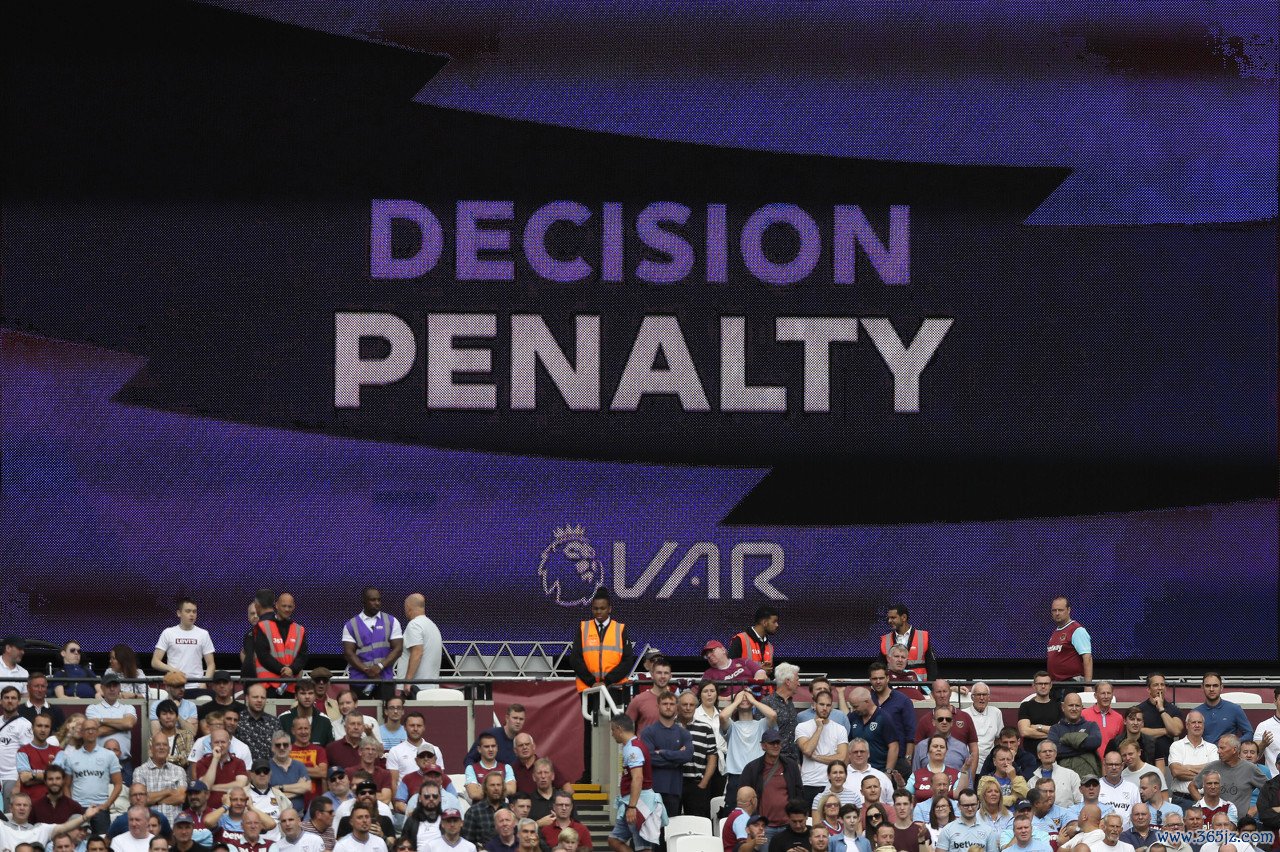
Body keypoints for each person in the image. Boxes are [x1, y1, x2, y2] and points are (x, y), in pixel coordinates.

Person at [55, 717, 125, 832]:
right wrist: (72, 805)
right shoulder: (72, 756)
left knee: (101, 841)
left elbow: (118, 784)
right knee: (77, 840)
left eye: (93, 729)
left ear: (97, 732)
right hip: (78, 808)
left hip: (100, 808)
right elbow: (66, 785)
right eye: (87, 729)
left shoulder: (109, 755)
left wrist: (107, 804)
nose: (91, 731)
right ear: (82, 733)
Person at [607, 715, 663, 852]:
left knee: (643, 848)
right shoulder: (632, 746)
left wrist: (632, 807)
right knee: (614, 840)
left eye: (612, 730)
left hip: (639, 804)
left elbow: (637, 778)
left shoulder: (633, 749)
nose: (612, 733)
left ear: (619, 729)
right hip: (631, 802)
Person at [720, 688, 779, 816]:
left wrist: (754, 701)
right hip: (736, 777)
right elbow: (723, 716)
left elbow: (773, 715)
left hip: (758, 775)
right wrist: (736, 701)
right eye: (741, 698)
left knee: (760, 816)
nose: (744, 699)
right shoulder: (732, 726)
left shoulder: (761, 724)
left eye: (747, 698)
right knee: (733, 817)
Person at [343, 588, 404, 702]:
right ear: (364, 601)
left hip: (384, 679)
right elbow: (348, 653)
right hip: (360, 680)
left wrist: (379, 667)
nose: (377, 603)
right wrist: (367, 670)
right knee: (360, 711)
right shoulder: (351, 625)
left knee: (386, 711)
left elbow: (398, 649)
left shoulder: (392, 621)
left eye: (379, 600)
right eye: (373, 600)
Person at [740, 728, 803, 834]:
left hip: (788, 825)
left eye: (778, 742)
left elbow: (799, 793)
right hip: (763, 827)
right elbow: (744, 797)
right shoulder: (752, 768)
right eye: (772, 743)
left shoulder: (791, 766)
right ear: (763, 746)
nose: (776, 746)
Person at [640, 691, 691, 818]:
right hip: (652, 790)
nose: (668, 707)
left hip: (674, 789)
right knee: (652, 828)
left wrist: (662, 752)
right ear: (658, 706)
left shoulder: (683, 733)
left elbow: (687, 756)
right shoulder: (648, 732)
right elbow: (649, 758)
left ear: (676, 707)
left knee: (671, 828)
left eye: (672, 704)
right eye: (665, 703)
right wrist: (676, 758)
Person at [1192, 736, 1266, 821]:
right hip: (1214, 823)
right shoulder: (1212, 766)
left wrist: (1255, 809)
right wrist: (1203, 805)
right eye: (1218, 748)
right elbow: (1192, 786)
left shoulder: (1250, 768)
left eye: (1222, 748)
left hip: (1240, 823)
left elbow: (1271, 791)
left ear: (1234, 750)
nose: (1218, 751)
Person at [796, 689, 849, 806]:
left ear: (831, 707)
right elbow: (807, 750)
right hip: (809, 782)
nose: (825, 708)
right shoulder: (802, 727)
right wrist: (819, 728)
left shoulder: (840, 729)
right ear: (814, 705)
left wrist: (815, 757)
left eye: (828, 705)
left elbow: (841, 758)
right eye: (821, 704)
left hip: (831, 783)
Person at [252, 594, 308, 699]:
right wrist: (282, 669)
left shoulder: (299, 630)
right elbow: (262, 654)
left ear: (294, 607)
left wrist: (292, 669)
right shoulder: (264, 626)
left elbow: (302, 656)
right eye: (284, 606)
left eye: (289, 606)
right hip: (268, 685)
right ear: (276, 605)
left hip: (290, 686)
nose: (287, 609)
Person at [152, 599, 217, 687]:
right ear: (179, 613)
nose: (192, 614)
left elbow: (211, 664)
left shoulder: (203, 634)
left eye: (194, 611)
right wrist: (173, 670)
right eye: (188, 611)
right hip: (175, 685)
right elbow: (155, 662)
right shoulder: (168, 633)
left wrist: (204, 682)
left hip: (196, 685)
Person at [677, 690, 719, 821]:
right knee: (671, 823)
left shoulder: (705, 728)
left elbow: (712, 757)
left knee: (699, 823)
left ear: (696, 707)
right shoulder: (669, 727)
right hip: (674, 783)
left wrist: (704, 782)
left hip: (697, 784)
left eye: (691, 705)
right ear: (678, 706)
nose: (688, 708)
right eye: (684, 704)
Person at [866, 665, 917, 774]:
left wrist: (908, 759)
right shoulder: (867, 700)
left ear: (888, 678)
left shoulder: (903, 700)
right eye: (874, 679)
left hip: (898, 760)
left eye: (881, 678)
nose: (878, 682)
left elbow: (911, 734)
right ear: (870, 680)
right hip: (872, 761)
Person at [396, 595, 444, 698]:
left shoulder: (414, 625)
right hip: (429, 687)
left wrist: (407, 681)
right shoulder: (433, 626)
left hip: (415, 689)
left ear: (408, 607)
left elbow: (417, 652)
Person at [135, 735, 189, 823]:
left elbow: (181, 797)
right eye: (158, 745)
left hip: (173, 825)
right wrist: (167, 791)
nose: (161, 747)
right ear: (151, 749)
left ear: (169, 749)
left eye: (164, 745)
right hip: (149, 826)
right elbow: (140, 799)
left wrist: (154, 801)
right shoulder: (140, 771)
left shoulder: (179, 770)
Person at [1169, 713, 1218, 810]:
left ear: (1203, 725)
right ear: (1187, 725)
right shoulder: (1176, 746)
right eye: (1193, 722)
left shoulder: (1212, 748)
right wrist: (1205, 774)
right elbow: (1176, 772)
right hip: (1181, 800)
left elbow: (1215, 771)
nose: (1197, 725)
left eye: (1199, 722)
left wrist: (1187, 767)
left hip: (1206, 799)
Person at [1045, 598, 1092, 698]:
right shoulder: (1055, 632)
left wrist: (1088, 685)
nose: (1057, 613)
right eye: (1054, 610)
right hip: (1055, 685)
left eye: (1060, 610)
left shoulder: (1077, 630)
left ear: (1068, 610)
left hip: (1071, 684)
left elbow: (1087, 658)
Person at [878, 605, 937, 683]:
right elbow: (880, 667)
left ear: (904, 617)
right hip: (893, 686)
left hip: (919, 686)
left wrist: (929, 687)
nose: (889, 621)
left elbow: (932, 666)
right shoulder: (886, 639)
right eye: (888, 618)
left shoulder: (922, 636)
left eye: (893, 618)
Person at [1049, 694, 1102, 779]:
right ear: (1063, 707)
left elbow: (1095, 742)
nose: (1074, 709)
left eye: (1077, 706)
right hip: (1063, 779)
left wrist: (1066, 741)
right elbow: (1055, 750)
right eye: (1070, 705)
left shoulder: (1091, 726)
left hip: (1088, 779)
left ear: (1082, 708)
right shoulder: (1055, 729)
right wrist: (1087, 750)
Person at [848, 689, 900, 775]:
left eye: (856, 706)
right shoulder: (852, 717)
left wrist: (888, 772)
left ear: (867, 701)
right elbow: (848, 744)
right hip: (856, 771)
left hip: (879, 770)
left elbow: (894, 746)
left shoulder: (884, 717)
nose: (854, 709)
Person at [193, 730, 248, 808]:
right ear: (210, 745)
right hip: (209, 810)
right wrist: (215, 759)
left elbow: (240, 785)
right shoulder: (202, 763)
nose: (220, 745)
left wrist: (213, 787)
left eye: (223, 742)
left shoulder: (239, 763)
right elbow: (206, 786)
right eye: (216, 742)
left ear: (229, 744)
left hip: (232, 810)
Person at [1193, 676, 1253, 747]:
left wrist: (1234, 744)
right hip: (1203, 752)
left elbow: (1249, 733)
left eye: (1215, 686)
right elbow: (1191, 737)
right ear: (1202, 687)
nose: (1211, 689)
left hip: (1227, 753)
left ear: (1221, 687)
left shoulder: (1234, 709)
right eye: (1208, 686)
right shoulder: (1195, 713)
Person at [763, 665, 802, 764]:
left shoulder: (790, 703)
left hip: (793, 761)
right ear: (788, 681)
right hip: (774, 761)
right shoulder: (767, 703)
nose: (799, 684)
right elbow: (761, 733)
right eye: (797, 680)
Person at [280, 681, 336, 749]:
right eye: (303, 693)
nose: (307, 697)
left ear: (315, 696)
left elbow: (330, 750)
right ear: (296, 696)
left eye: (310, 693)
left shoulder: (325, 721)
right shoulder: (283, 719)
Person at [729, 606, 780, 681]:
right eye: (774, 622)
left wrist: (768, 672)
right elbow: (730, 670)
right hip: (745, 687)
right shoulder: (740, 639)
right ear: (764, 622)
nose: (777, 625)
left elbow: (769, 675)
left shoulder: (770, 646)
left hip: (765, 688)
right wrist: (759, 671)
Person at [1027, 741, 1081, 809]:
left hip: (1067, 815)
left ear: (1055, 754)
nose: (1048, 754)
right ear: (1039, 755)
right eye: (1044, 751)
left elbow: (1080, 801)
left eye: (1050, 751)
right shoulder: (1032, 781)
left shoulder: (1071, 775)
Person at [1016, 676, 1058, 761]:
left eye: (1046, 683)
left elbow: (1061, 731)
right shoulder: (1025, 706)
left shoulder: (1058, 706)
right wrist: (1053, 734)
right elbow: (1024, 732)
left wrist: (1039, 727)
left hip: (1054, 758)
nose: (1043, 686)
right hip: (1031, 757)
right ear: (1034, 685)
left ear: (1051, 685)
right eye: (1040, 684)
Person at [627, 660, 674, 734]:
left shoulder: (676, 701)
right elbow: (625, 727)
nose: (662, 676)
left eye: (666, 673)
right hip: (644, 741)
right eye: (659, 673)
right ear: (652, 675)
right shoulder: (639, 699)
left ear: (670, 676)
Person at [702, 642, 766, 695]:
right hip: (726, 704)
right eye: (706, 654)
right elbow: (705, 695)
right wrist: (730, 699)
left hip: (753, 699)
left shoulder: (743, 661)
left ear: (723, 650)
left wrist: (748, 692)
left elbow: (761, 673)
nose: (709, 655)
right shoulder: (708, 674)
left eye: (711, 651)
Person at [1081, 683, 1122, 763]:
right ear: (1095, 696)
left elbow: (1119, 743)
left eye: (1109, 693)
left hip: (1110, 764)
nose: (1106, 696)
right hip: (1090, 763)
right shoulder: (1083, 714)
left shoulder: (1119, 718)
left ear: (1112, 695)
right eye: (1103, 693)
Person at [1097, 754, 1140, 829]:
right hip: (1100, 834)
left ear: (1122, 766)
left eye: (1117, 765)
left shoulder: (1132, 788)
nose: (1114, 768)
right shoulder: (1095, 786)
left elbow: (1138, 814)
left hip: (1126, 834)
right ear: (1104, 765)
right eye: (1110, 764)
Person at [400, 781, 445, 851]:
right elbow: (403, 846)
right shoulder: (411, 821)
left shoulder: (446, 820)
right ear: (420, 798)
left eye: (435, 796)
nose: (431, 799)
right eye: (427, 796)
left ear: (440, 799)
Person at [847, 740, 894, 807]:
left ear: (868, 754)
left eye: (862, 751)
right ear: (849, 755)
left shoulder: (881, 776)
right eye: (855, 752)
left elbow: (891, 803)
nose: (859, 754)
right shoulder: (841, 777)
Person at [1253, 688, 1280, 774]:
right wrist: (1263, 744)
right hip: (1273, 778)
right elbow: (1254, 756)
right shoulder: (1263, 726)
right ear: (1275, 701)